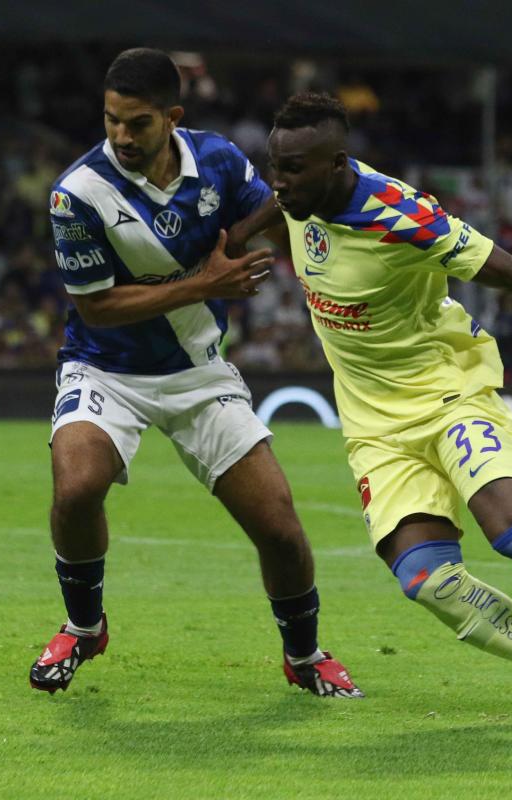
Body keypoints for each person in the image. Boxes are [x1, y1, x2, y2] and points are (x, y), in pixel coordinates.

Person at [254, 92, 512, 725]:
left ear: (336, 163)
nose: (278, 184)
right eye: (274, 166)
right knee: (426, 579)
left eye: (292, 170)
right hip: (373, 422)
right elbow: (243, 216)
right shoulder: (294, 198)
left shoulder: (402, 215)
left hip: (444, 389)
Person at [31, 49, 361, 698]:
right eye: (111, 121)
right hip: (106, 368)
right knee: (76, 489)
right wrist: (204, 285)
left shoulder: (217, 160)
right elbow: (96, 305)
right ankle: (84, 625)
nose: (122, 136)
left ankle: (305, 655)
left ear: (172, 117)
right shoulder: (78, 194)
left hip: (197, 372)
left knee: (280, 527)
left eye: (138, 123)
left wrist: (329, 272)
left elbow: (276, 216)